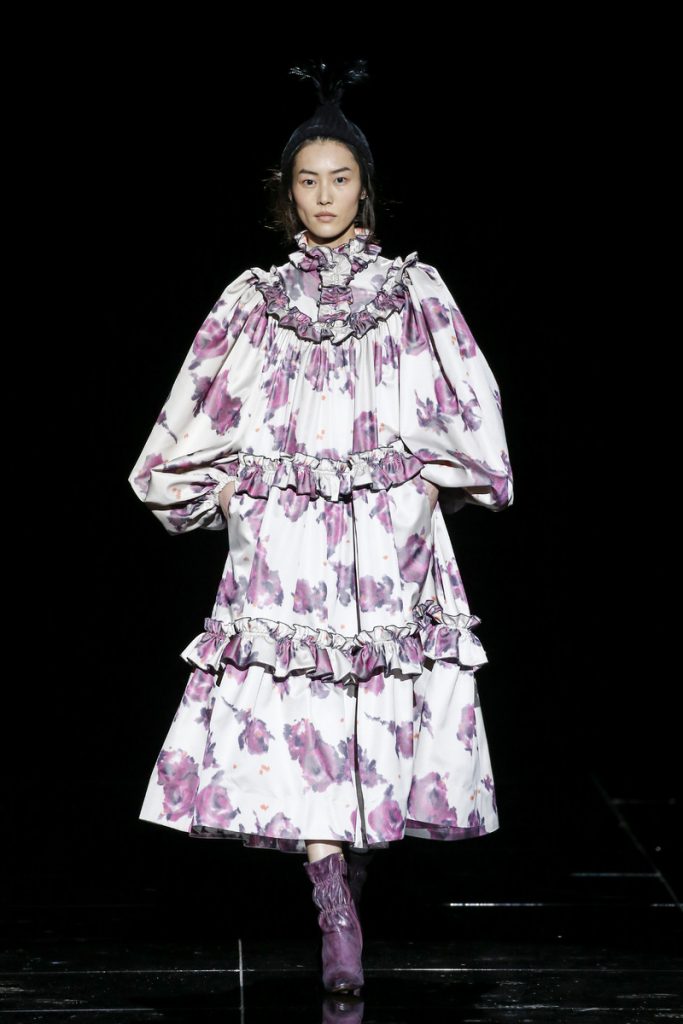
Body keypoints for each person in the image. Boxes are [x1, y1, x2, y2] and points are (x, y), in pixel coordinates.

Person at [127, 60, 514, 996]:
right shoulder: (257, 301)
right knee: (299, 704)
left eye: (340, 179)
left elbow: (472, 407)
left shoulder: (412, 294)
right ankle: (332, 897)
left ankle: (350, 862)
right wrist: (224, 491)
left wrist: (429, 483)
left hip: (384, 538)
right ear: (287, 192)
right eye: (308, 180)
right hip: (290, 540)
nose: (325, 196)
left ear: (364, 188)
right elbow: (192, 413)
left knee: (370, 707)